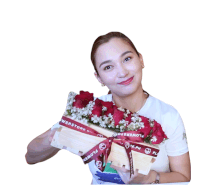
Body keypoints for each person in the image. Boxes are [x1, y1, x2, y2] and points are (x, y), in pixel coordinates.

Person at [25, 32, 191, 185]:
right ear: (99, 78)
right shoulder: (89, 112)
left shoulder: (168, 116)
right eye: (108, 67)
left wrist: (150, 178)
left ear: (141, 60)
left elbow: (184, 177)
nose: (122, 72)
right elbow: (30, 157)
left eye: (127, 59)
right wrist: (59, 133)